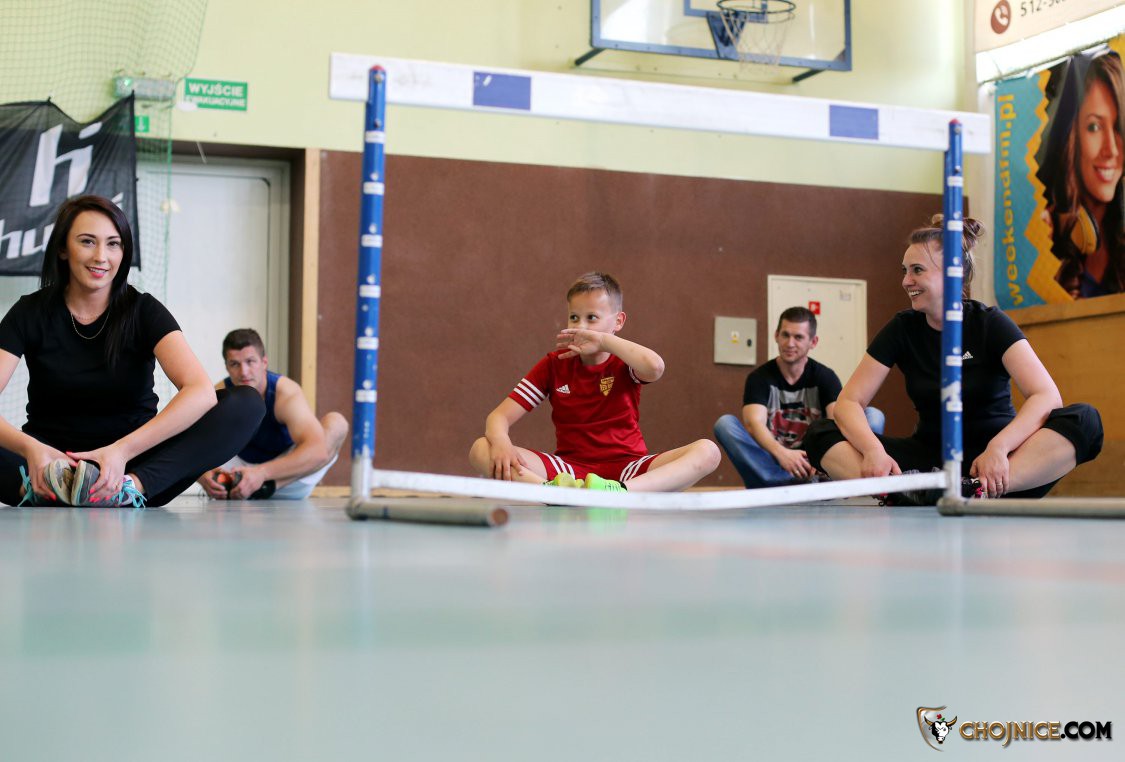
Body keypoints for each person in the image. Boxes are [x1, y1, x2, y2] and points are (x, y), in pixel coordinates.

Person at [803, 216, 1103, 504]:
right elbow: (849, 402)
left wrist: (1000, 447)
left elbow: (1046, 395)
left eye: (917, 270)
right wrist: (872, 450)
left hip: (998, 461)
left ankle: (977, 490)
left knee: (1085, 420)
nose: (906, 281)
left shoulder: (990, 323)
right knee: (820, 433)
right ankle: (898, 492)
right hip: (930, 459)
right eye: (905, 270)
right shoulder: (902, 328)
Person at [0, 195, 264, 508]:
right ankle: (38, 490)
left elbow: (200, 392)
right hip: (48, 463)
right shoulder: (29, 312)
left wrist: (122, 451)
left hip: (133, 464)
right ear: (62, 249)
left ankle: (127, 491)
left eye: (113, 244)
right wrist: (31, 449)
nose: (101, 256)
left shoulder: (145, 310)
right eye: (87, 241)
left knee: (247, 404)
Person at [469, 271, 719, 492]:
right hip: (570, 471)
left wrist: (603, 341)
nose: (581, 326)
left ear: (618, 322)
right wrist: (501, 442)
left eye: (592, 318)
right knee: (481, 448)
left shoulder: (625, 361)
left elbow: (655, 367)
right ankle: (552, 493)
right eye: (574, 317)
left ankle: (620, 493)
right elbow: (498, 417)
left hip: (628, 468)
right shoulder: (554, 364)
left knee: (708, 451)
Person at [713, 306, 885, 489]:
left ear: (813, 342)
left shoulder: (825, 377)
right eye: (785, 335)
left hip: (817, 466)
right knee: (724, 424)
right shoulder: (759, 378)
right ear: (776, 336)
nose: (790, 343)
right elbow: (753, 424)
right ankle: (778, 482)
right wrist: (783, 454)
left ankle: (841, 480)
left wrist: (822, 458)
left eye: (798, 337)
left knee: (874, 415)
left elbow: (839, 421)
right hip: (774, 463)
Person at [199, 328, 348, 500]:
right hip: (237, 472)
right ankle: (244, 486)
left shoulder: (285, 393)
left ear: (264, 362)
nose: (244, 372)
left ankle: (268, 486)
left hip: (286, 476)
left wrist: (261, 473)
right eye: (235, 364)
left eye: (250, 362)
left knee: (337, 423)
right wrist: (202, 476)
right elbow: (189, 444)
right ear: (227, 367)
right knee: (190, 428)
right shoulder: (219, 394)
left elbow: (318, 451)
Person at [1041, 49, 1125, 298]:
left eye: (1118, 128)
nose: (1111, 149)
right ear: (1071, 139)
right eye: (1094, 126)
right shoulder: (1046, 231)